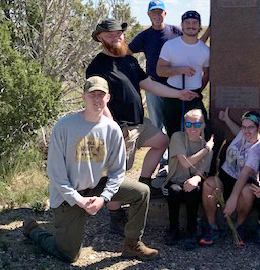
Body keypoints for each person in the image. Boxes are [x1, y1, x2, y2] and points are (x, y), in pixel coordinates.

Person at [22, 76, 159, 262]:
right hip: (66, 197)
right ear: (83, 97)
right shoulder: (65, 126)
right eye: (92, 94)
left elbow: (117, 171)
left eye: (101, 95)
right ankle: (34, 231)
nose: (96, 99)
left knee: (141, 192)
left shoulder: (112, 129)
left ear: (108, 98)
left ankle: (132, 245)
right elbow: (55, 173)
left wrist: (104, 198)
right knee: (68, 255)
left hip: (94, 188)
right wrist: (78, 200)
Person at [86, 19, 199, 229]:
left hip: (139, 123)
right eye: (110, 35)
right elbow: (98, 102)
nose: (116, 37)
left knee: (162, 141)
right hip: (118, 127)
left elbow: (148, 84)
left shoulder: (128, 60)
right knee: (117, 173)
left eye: (119, 33)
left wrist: (179, 94)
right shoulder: (97, 66)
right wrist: (112, 129)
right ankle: (115, 217)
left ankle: (144, 181)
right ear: (100, 38)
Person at [199, 109, 260, 246]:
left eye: (251, 127)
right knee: (208, 184)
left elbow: (244, 175)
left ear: (259, 127)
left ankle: (238, 226)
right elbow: (238, 131)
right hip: (226, 176)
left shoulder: (258, 148)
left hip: (245, 180)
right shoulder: (243, 133)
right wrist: (226, 119)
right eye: (244, 126)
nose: (246, 131)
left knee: (247, 192)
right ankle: (212, 226)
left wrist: (233, 198)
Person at [127, 0, 183, 134]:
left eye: (159, 12)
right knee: (157, 124)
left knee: (176, 123)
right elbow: (126, 53)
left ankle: (176, 153)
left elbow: (191, 46)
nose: (157, 15)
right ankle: (161, 154)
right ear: (148, 14)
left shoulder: (176, 32)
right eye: (153, 12)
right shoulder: (144, 36)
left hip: (175, 85)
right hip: (154, 86)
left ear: (165, 13)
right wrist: (136, 74)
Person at [161, 108, 214, 250]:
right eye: (189, 125)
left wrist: (196, 178)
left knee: (193, 190)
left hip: (191, 183)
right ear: (185, 126)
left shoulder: (207, 146)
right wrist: (206, 150)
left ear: (203, 126)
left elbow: (201, 172)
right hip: (175, 180)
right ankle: (174, 229)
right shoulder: (178, 137)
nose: (193, 128)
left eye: (197, 125)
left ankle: (191, 231)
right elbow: (185, 163)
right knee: (174, 191)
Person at [157, 10, 211, 138]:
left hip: (194, 96)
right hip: (173, 95)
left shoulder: (205, 50)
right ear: (182, 25)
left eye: (194, 23)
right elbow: (160, 71)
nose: (191, 25)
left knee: (202, 132)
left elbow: (206, 74)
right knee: (173, 133)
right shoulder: (170, 46)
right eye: (187, 22)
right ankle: (174, 157)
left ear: (199, 26)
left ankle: (199, 157)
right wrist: (178, 70)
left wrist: (197, 90)